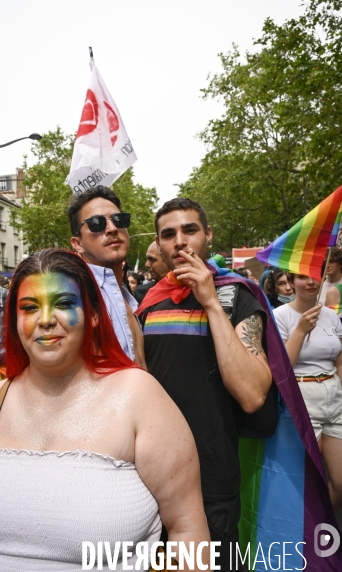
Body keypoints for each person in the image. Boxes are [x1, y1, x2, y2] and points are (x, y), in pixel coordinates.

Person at [0, 248, 210, 571]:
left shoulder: (140, 400)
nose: (46, 320)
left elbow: (188, 531)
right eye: (30, 307)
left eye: (63, 304)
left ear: (93, 315)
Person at [137, 198, 272, 572]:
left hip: (210, 481)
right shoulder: (147, 304)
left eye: (190, 230)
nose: (179, 241)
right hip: (149, 478)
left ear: (208, 235)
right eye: (168, 234)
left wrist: (211, 303)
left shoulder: (236, 296)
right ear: (159, 243)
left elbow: (252, 395)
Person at [274, 274, 342, 510]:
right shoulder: (280, 315)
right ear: (291, 281)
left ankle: (323, 530)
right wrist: (301, 330)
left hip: (335, 397)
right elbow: (282, 368)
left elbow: (339, 361)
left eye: (316, 275)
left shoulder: (331, 315)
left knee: (340, 483)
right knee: (310, 481)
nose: (311, 282)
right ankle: (310, 538)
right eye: (303, 277)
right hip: (302, 397)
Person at [68, 186, 146, 368]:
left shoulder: (128, 298)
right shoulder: (76, 297)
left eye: (119, 220)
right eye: (97, 223)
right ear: (77, 244)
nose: (112, 228)